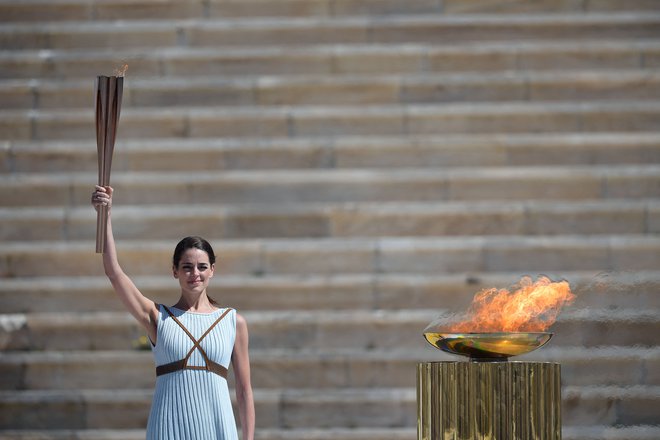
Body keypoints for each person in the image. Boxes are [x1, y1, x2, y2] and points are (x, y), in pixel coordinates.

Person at [92, 185, 255, 440]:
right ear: (174, 271)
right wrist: (106, 215)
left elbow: (244, 391)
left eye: (202, 267)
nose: (195, 274)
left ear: (212, 269)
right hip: (169, 427)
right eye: (187, 267)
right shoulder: (158, 317)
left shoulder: (233, 322)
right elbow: (114, 272)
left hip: (217, 426)